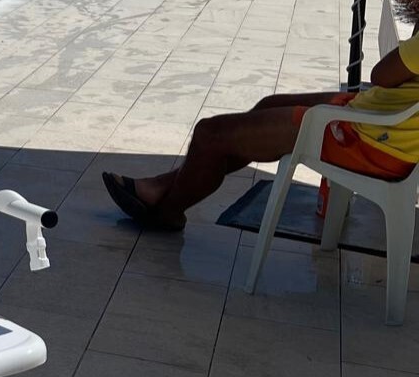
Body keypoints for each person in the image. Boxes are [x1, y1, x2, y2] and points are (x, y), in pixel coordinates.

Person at [102, 32, 419, 232]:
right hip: (380, 122)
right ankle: (161, 187)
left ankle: (167, 213)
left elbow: (382, 74)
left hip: (367, 140)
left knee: (209, 135)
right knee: (267, 106)